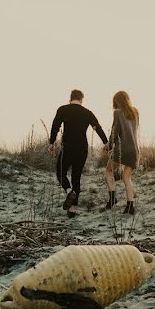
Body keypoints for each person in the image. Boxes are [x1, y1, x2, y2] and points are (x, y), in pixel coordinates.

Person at [49, 89, 109, 217]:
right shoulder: (87, 113)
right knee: (76, 176)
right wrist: (106, 142)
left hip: (68, 148)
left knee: (60, 172)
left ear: (70, 99)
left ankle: (69, 191)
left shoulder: (63, 109)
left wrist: (52, 143)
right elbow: (97, 128)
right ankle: (73, 210)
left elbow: (55, 126)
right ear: (82, 100)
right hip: (82, 148)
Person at [105, 90, 140, 215]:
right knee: (126, 177)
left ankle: (113, 197)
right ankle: (130, 206)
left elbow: (115, 132)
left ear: (116, 101)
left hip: (122, 149)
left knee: (109, 171)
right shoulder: (135, 112)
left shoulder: (118, 113)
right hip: (134, 150)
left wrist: (108, 146)